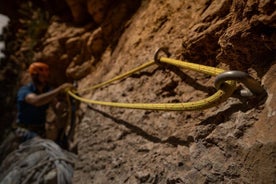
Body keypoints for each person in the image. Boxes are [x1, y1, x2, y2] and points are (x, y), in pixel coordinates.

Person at [15, 62, 73, 141]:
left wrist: (66, 101)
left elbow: (57, 107)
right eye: (41, 75)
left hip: (40, 130)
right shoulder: (25, 90)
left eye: (45, 76)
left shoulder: (47, 90)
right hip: (24, 130)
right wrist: (59, 90)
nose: (44, 78)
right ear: (34, 76)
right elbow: (36, 101)